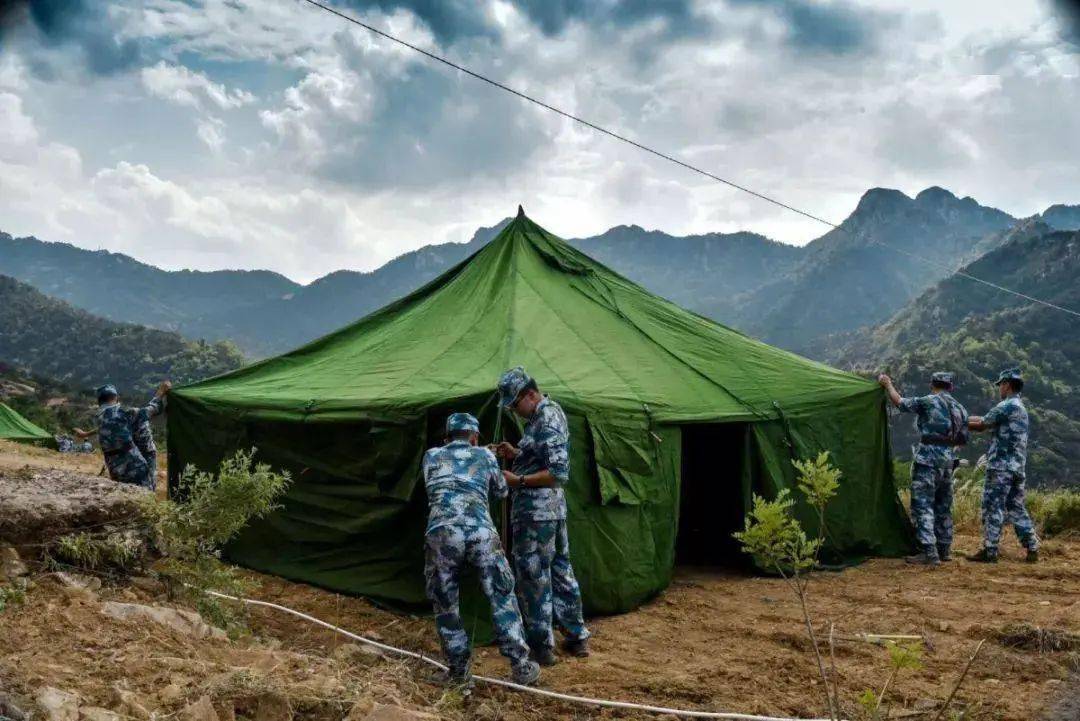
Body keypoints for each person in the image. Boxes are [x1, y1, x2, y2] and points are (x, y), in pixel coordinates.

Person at [422, 412, 540, 686]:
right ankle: (521, 666)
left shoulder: (431, 456)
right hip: (481, 533)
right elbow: (500, 492)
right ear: (474, 437)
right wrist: (485, 457)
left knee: (446, 603)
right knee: (500, 595)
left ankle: (459, 673)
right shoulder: (485, 457)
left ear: (447, 436)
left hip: (442, 532)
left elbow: (433, 488)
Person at [491, 367, 590, 666]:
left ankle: (541, 646)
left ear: (530, 395)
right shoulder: (539, 418)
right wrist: (517, 452)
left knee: (533, 577)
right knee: (561, 572)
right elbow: (541, 455)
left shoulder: (546, 417)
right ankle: (576, 636)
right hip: (551, 512)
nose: (513, 411)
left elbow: (558, 473)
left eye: (514, 404)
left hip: (537, 515)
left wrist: (517, 481)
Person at [878, 372, 968, 565]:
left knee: (923, 505)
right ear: (950, 387)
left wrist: (888, 384)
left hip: (928, 461)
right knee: (943, 506)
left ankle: (928, 551)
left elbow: (900, 403)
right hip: (948, 462)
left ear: (932, 384)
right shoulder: (960, 408)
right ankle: (944, 550)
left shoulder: (928, 401)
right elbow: (963, 438)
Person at [967, 368, 1039, 563]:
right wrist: (965, 419)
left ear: (1007, 384)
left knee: (992, 506)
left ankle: (990, 550)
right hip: (1017, 467)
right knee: (1016, 507)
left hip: (1001, 467)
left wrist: (959, 421)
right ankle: (1032, 547)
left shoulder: (1006, 406)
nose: (999, 388)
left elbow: (982, 424)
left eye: (1001, 384)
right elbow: (984, 420)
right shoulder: (1021, 408)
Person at [77, 381, 170, 490]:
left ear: (99, 401)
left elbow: (110, 427)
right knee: (146, 495)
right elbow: (152, 410)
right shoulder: (125, 412)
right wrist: (161, 392)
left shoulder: (100, 417)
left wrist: (86, 434)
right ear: (116, 397)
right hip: (133, 466)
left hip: (114, 468)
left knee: (125, 495)